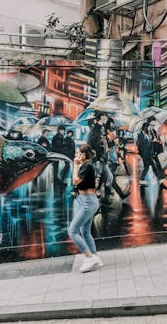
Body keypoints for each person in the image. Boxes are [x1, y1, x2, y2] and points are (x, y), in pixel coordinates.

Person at [68, 144, 103, 273]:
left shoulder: (87, 165)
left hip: (88, 202)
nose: (75, 155)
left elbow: (75, 181)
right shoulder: (86, 166)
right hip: (87, 201)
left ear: (83, 155)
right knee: (85, 231)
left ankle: (89, 257)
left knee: (72, 231)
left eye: (78, 153)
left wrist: (75, 165)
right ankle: (96, 257)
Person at [87, 112, 112, 191]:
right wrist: (98, 155)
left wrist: (112, 142)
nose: (106, 118)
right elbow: (91, 144)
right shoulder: (96, 130)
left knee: (109, 178)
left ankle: (103, 195)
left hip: (104, 158)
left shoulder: (103, 129)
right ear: (101, 117)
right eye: (105, 116)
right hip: (99, 159)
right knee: (97, 178)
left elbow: (105, 143)